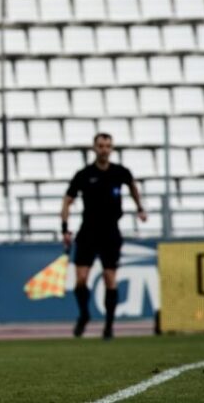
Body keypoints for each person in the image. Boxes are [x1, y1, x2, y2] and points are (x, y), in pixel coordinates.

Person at [61, 133, 147, 340]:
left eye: (107, 146)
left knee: (110, 278)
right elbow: (67, 201)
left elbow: (133, 187)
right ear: (94, 148)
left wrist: (140, 208)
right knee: (81, 279)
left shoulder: (120, 172)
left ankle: (109, 326)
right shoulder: (84, 174)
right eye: (100, 146)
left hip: (110, 232)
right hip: (88, 231)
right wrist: (65, 228)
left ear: (112, 148)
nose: (104, 150)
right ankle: (84, 314)